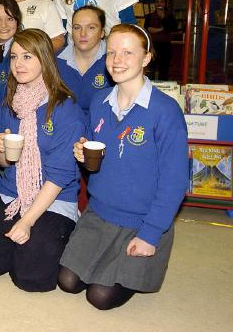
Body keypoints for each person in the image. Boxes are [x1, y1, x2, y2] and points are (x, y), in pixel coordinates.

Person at [58, 23, 188, 310]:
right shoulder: (100, 102)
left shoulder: (165, 111)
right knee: (67, 282)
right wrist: (83, 154)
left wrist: (150, 235)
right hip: (100, 213)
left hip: (141, 222)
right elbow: (97, 158)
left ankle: (142, 254)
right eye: (112, 52)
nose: (117, 61)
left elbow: (175, 181)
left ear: (146, 58)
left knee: (99, 297)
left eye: (128, 53)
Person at [0, 28, 85, 292]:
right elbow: (3, 165)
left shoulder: (65, 108)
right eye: (13, 57)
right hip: (13, 194)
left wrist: (27, 221)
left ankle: (65, 233)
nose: (18, 64)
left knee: (30, 278)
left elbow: (60, 176)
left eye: (27, 57)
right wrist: (1, 150)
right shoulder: (11, 103)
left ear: (45, 59)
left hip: (54, 198)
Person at [56, 6, 113, 117]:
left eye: (91, 27)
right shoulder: (56, 60)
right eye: (77, 27)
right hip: (66, 127)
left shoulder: (115, 60)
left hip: (103, 127)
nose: (83, 34)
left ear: (102, 32)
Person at [144, 0, 177, 80]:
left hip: (165, 46)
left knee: (164, 70)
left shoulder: (169, 16)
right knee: (150, 69)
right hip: (153, 46)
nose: (159, 4)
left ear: (165, 3)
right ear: (154, 3)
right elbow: (147, 30)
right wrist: (162, 29)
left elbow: (172, 28)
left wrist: (162, 18)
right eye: (157, 1)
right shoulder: (149, 16)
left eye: (161, 2)